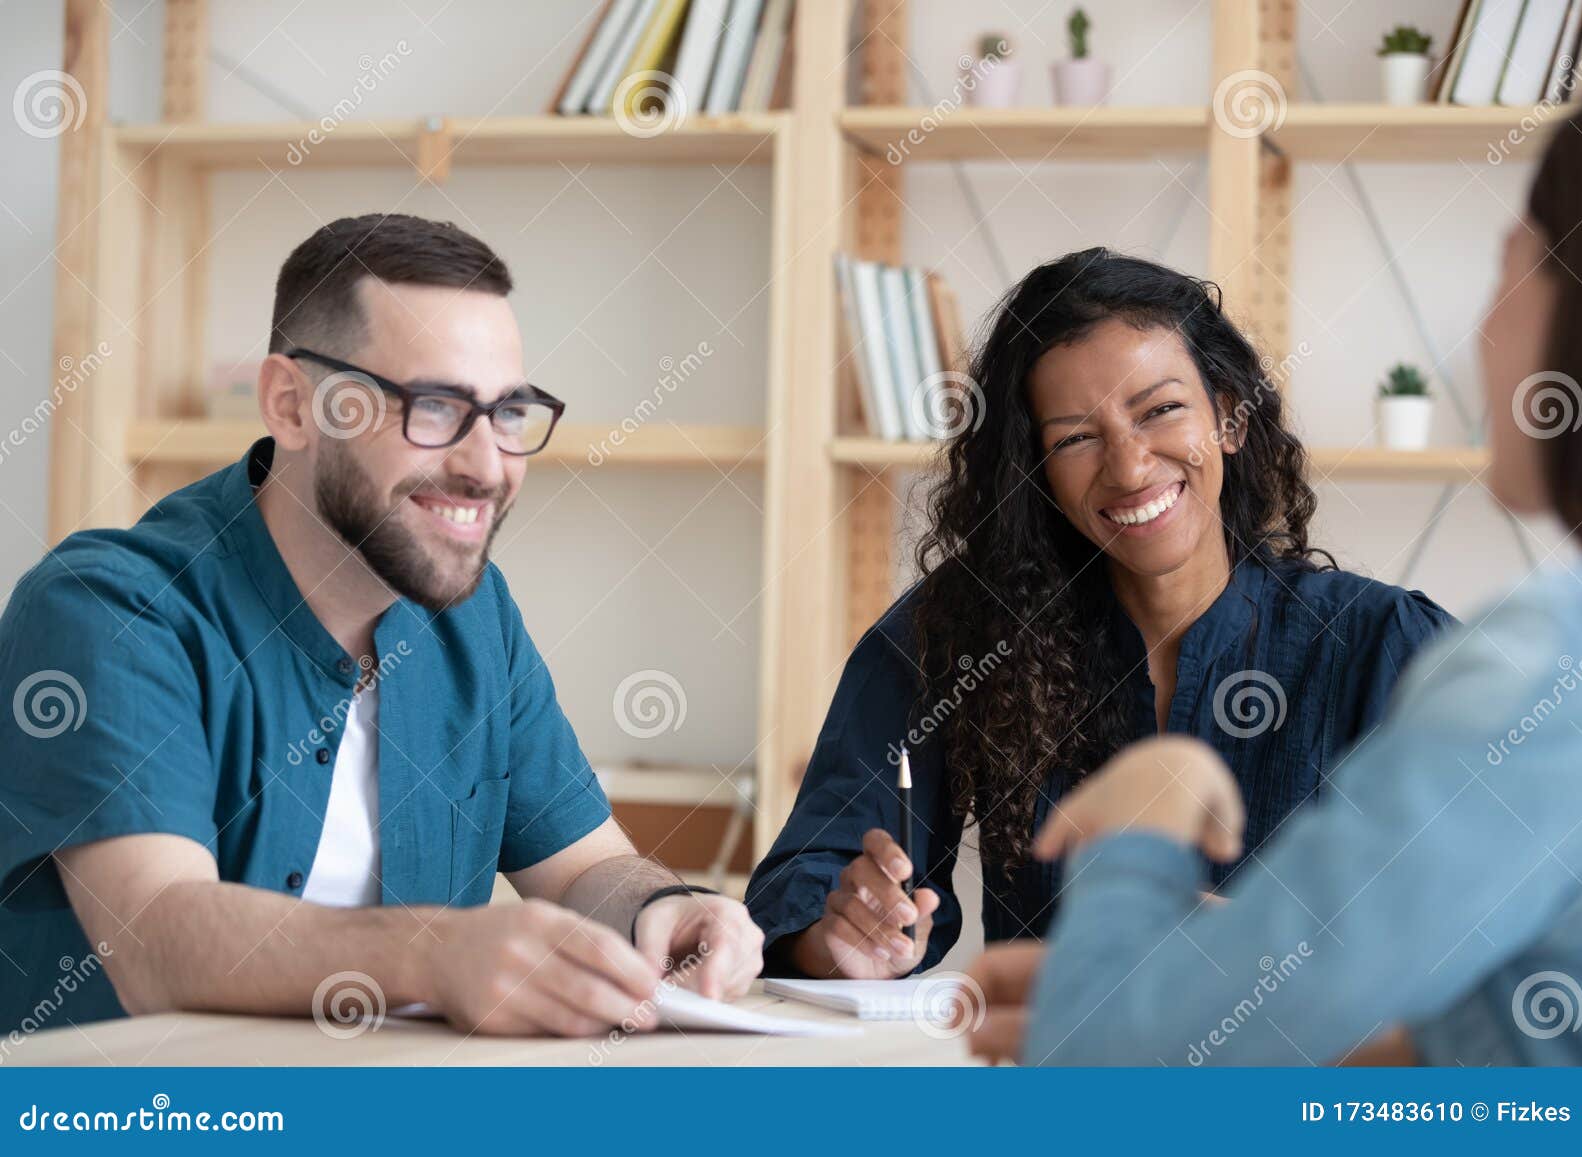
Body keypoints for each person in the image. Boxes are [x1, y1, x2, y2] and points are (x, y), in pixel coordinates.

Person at [0, 213, 762, 1038]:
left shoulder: (477, 618)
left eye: (508, 413)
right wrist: (436, 951)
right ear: (293, 405)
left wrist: (669, 905)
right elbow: (156, 937)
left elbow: (587, 866)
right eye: (433, 407)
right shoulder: (108, 610)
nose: (484, 465)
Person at [970, 93, 1582, 1067]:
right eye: (1076, 439)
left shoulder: (1551, 662)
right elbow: (1525, 1048)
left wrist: (1147, 819)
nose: (1479, 331)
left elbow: (1118, 1068)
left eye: (1513, 264)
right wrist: (1185, 980)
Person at [746, 249, 1454, 980]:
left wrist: (1260, 942)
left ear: (1231, 417)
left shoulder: (1386, 646)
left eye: (1162, 409)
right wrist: (845, 934)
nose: (1129, 466)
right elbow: (808, 880)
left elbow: (1498, 922)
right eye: (1076, 438)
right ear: (1037, 472)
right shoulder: (962, 630)